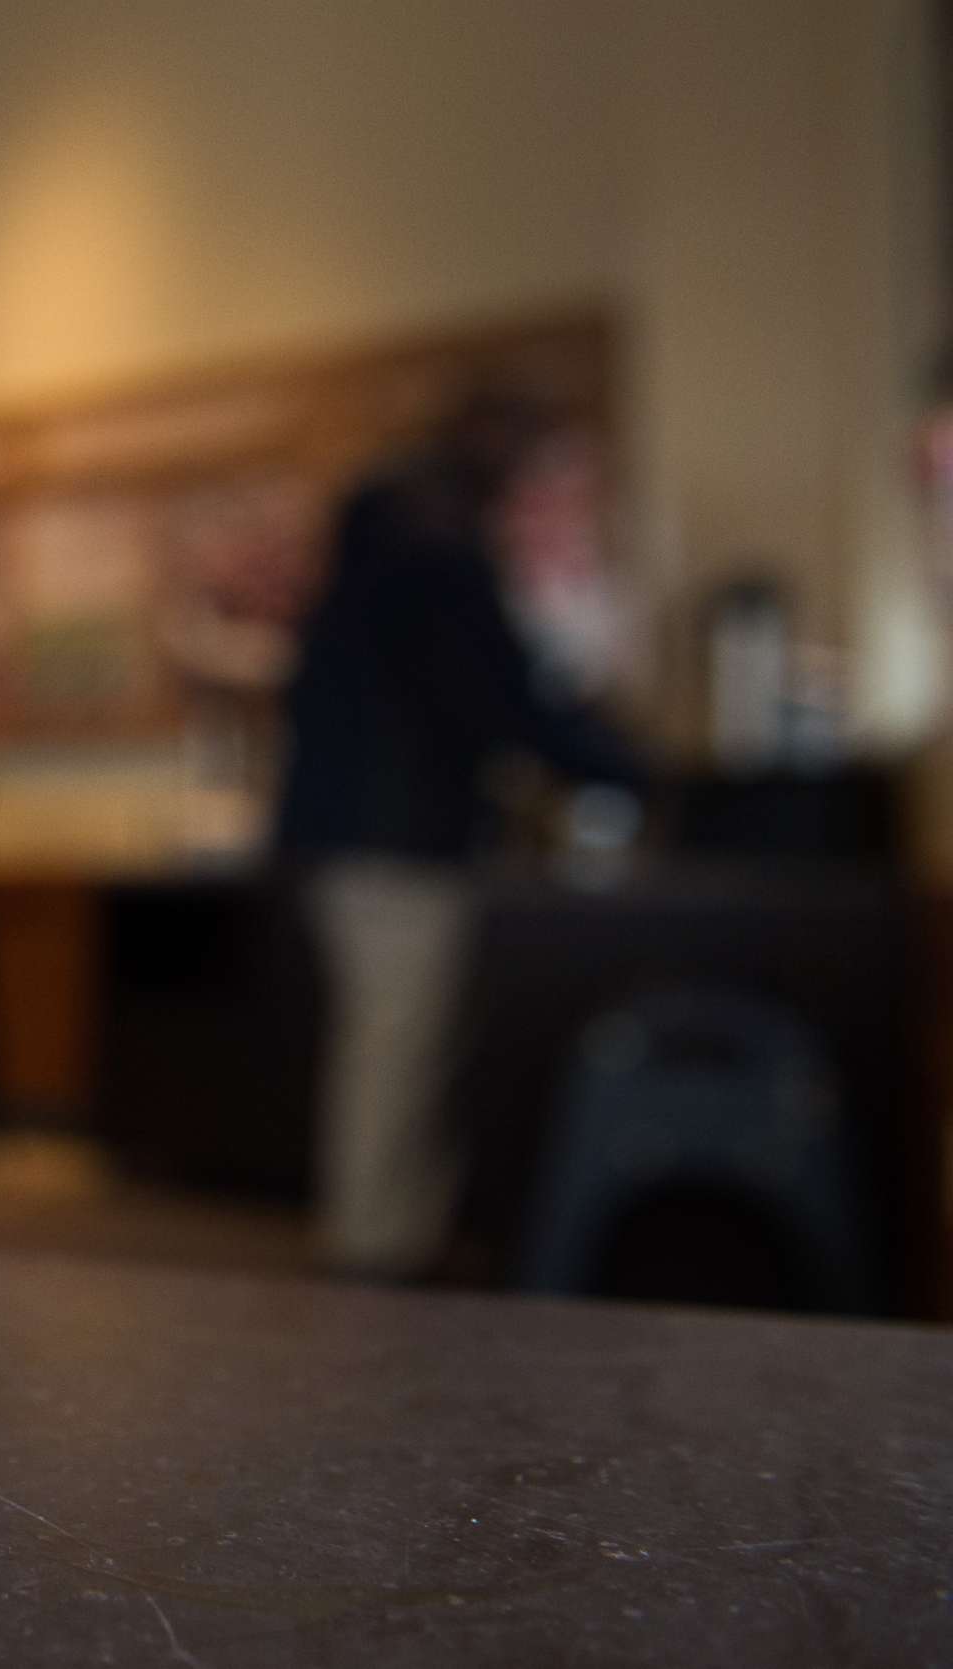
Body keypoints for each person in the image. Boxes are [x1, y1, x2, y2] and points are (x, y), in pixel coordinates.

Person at [276, 391, 643, 1278]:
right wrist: (632, 767)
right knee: (395, 1045)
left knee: (392, 1042)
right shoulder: (440, 561)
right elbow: (505, 702)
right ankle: (373, 1253)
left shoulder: (388, 547)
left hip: (350, 837)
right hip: (394, 842)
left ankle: (392, 1235)